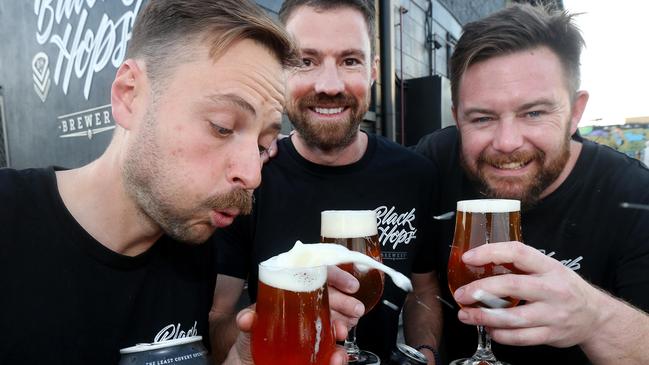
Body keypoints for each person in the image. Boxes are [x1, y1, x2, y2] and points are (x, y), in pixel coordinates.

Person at [0, 1, 360, 364]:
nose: (252, 174)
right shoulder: (10, 218)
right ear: (129, 95)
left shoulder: (193, 245)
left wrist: (241, 356)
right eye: (221, 126)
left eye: (263, 146)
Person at [414, 4, 649, 364]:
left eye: (534, 113)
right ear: (457, 117)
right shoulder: (435, 160)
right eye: (482, 117)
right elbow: (423, 279)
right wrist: (425, 351)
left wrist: (596, 317)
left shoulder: (634, 196)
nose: (507, 142)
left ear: (575, 112)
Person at [209, 0, 441, 364]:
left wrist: (425, 354)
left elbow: (421, 289)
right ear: (281, 71)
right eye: (306, 61)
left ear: (373, 71)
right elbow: (219, 317)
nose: (329, 85)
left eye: (350, 60)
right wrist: (275, 319)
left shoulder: (416, 174)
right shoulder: (249, 180)